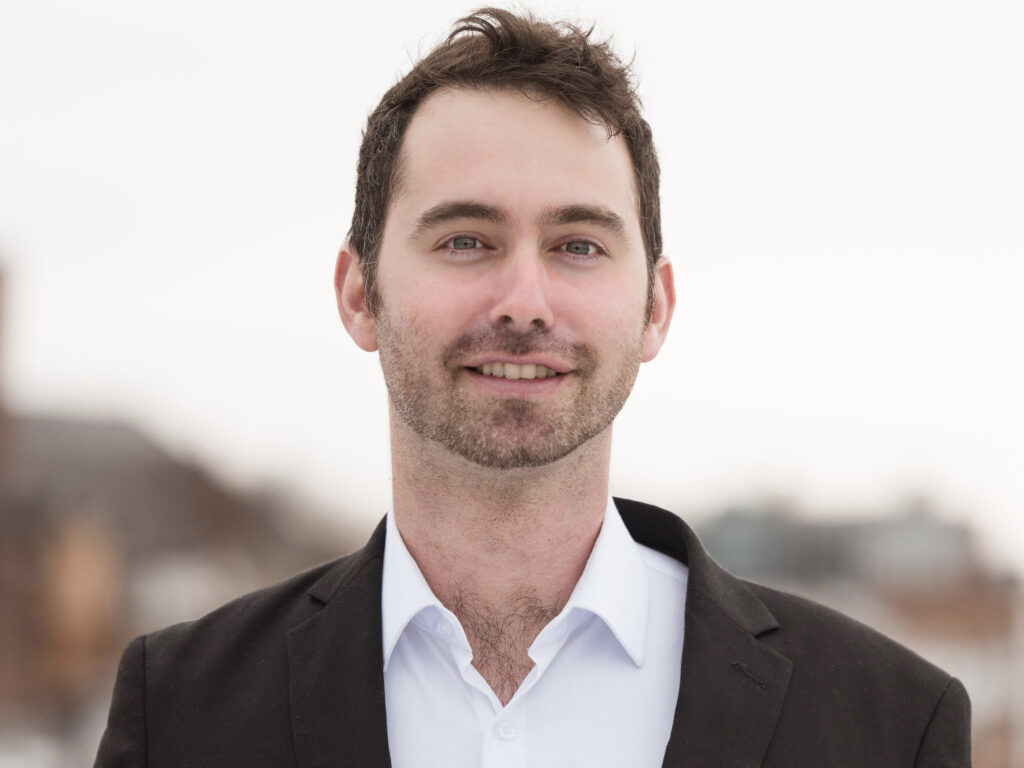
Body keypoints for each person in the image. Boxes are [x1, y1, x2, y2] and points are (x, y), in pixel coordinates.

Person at [95, 8, 970, 767]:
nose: (524, 303)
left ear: (655, 308)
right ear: (360, 294)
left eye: (578, 245)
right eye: (466, 240)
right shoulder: (178, 713)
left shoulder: (891, 724)